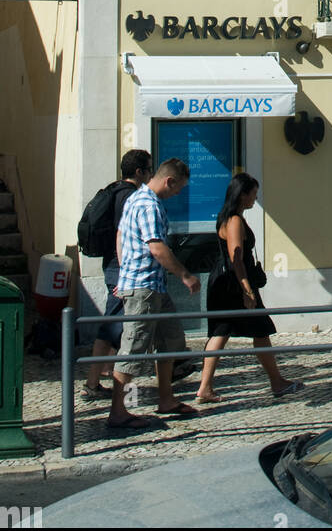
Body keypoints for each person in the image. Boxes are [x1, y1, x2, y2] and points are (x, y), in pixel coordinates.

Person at [107, 158, 201, 430]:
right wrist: (185, 275)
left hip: (153, 286)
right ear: (169, 181)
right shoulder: (148, 205)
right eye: (179, 188)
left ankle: (166, 399)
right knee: (133, 348)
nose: (178, 193)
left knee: (170, 340)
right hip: (144, 288)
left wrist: (125, 271)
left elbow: (121, 236)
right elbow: (157, 248)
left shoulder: (136, 199)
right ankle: (118, 411)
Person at [196, 173, 298, 402]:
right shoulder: (233, 220)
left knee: (221, 332)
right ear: (242, 194)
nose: (255, 197)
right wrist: (247, 290)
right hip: (235, 284)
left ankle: (205, 387)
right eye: (253, 193)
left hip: (225, 282)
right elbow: (236, 258)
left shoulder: (228, 217)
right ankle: (277, 382)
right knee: (258, 329)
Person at [83, 149, 151, 399]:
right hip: (120, 267)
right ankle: (92, 384)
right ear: (139, 171)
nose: (151, 173)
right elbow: (124, 237)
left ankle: (104, 373)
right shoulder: (129, 197)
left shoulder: (114, 190)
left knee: (116, 325)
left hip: (113, 264)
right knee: (111, 326)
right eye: (149, 169)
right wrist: (125, 274)